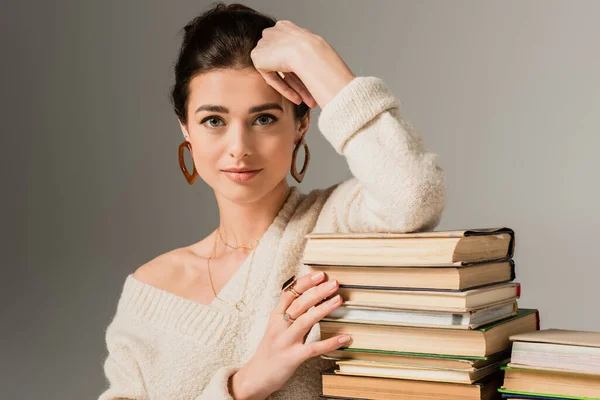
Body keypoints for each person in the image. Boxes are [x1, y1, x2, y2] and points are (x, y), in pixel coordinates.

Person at [98, 3, 446, 399]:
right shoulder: (150, 291)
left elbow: (413, 193)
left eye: (263, 119)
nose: (239, 148)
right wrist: (244, 385)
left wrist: (317, 60)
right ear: (186, 129)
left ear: (300, 125)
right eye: (214, 120)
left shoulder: (335, 227)